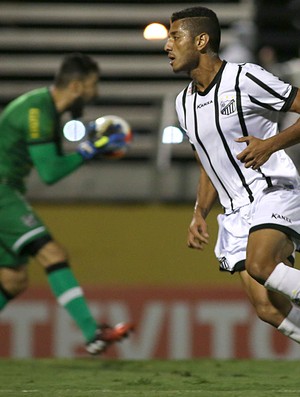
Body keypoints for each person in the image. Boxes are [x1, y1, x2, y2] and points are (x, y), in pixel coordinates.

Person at [164, 6, 300, 343]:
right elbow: (208, 163)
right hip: (235, 212)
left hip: (272, 190)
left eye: (175, 36)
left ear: (201, 40)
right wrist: (200, 212)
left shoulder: (245, 77)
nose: (167, 45)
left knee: (261, 264)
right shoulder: (183, 104)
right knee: (267, 309)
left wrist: (270, 144)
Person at [0, 52, 133, 355]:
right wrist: (89, 150)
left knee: (13, 278)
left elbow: (53, 168)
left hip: (8, 190)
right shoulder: (38, 112)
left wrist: (88, 151)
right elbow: (49, 173)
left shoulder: (44, 110)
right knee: (52, 253)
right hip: (2, 191)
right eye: (92, 85)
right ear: (76, 86)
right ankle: (92, 333)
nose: (94, 93)